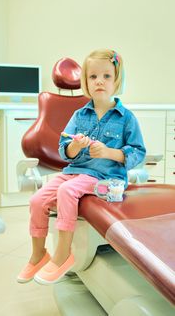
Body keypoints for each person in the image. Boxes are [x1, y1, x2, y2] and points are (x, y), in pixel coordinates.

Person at [17, 48, 146, 285]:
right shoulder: (79, 115)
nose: (99, 81)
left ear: (116, 80)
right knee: (37, 200)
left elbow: (138, 152)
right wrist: (75, 148)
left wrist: (109, 152)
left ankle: (63, 255)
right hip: (74, 172)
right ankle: (38, 254)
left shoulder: (126, 118)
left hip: (104, 177)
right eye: (93, 76)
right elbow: (64, 148)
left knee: (67, 192)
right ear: (85, 81)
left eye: (107, 76)